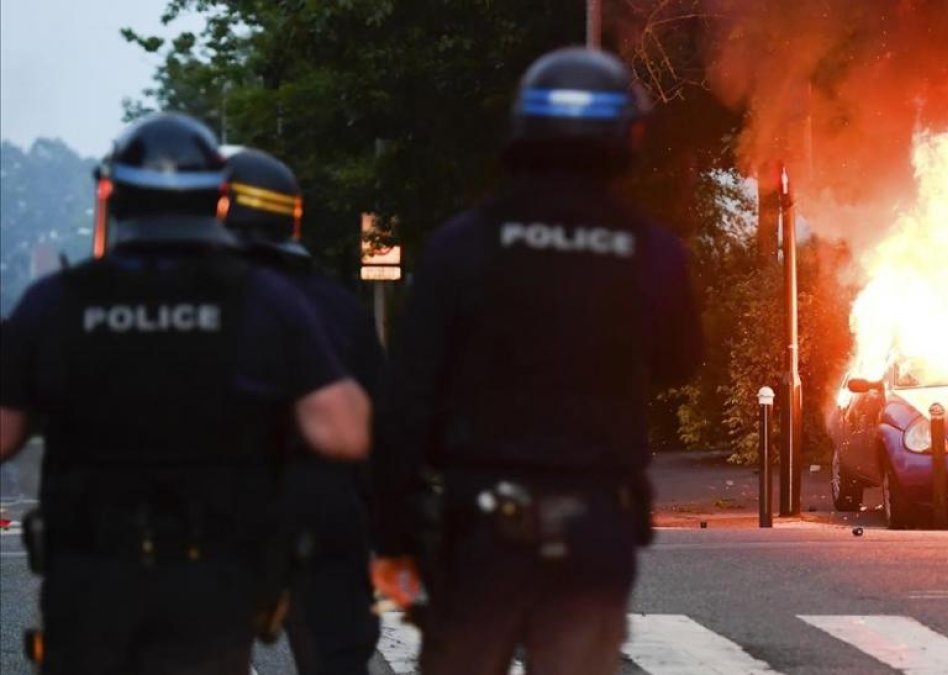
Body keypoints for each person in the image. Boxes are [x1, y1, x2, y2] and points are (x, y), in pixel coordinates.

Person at [0, 113, 371, 675]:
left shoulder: (56, 302)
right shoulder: (264, 300)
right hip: (211, 581)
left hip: (90, 578)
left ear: (114, 197)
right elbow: (344, 432)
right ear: (217, 202)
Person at [370, 47, 703, 675]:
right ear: (625, 135)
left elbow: (405, 402)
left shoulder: (462, 244)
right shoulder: (650, 250)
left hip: (480, 529)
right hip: (594, 526)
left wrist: (393, 536)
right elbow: (682, 361)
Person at [220, 147, 383, 675]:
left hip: (218, 518)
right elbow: (381, 425)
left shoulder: (187, 304)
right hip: (323, 515)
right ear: (290, 216)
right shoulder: (337, 305)